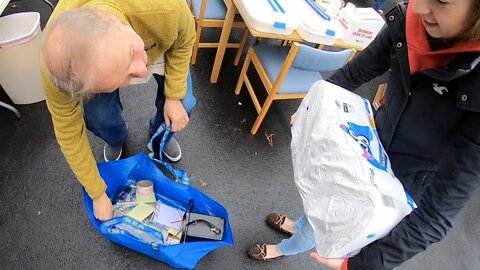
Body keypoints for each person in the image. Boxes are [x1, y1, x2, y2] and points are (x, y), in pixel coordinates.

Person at [247, 0, 480, 269]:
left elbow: (437, 214)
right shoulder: (409, 20)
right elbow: (357, 71)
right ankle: (297, 225)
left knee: (328, 217)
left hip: (398, 185)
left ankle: (282, 249)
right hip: (366, 147)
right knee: (320, 196)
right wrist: (314, 105)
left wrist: (359, 266)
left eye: (441, 1)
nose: (419, 8)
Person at [40, 0, 196, 221]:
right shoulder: (58, 71)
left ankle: (158, 133)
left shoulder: (165, 7)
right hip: (125, 48)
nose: (142, 73)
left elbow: (184, 39)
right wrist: (97, 193)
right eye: (124, 78)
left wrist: (173, 95)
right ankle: (115, 137)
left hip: (154, 37)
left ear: (112, 20)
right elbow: (68, 133)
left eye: (130, 53)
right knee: (99, 118)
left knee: (184, 103)